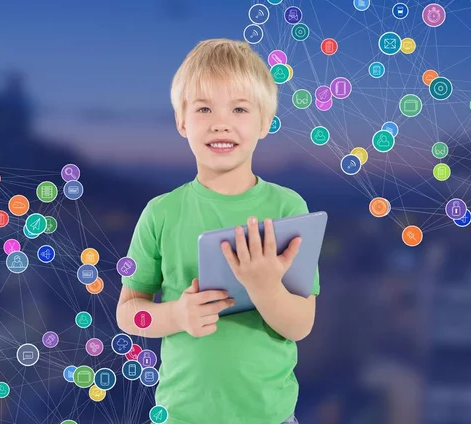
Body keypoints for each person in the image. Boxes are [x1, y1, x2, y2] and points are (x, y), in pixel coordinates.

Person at [116, 38, 320, 424]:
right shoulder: (161, 212)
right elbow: (128, 314)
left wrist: (264, 287)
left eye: (239, 108)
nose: (220, 122)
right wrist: (177, 315)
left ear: (264, 123)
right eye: (204, 108)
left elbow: (300, 324)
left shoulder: (287, 209)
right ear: (182, 121)